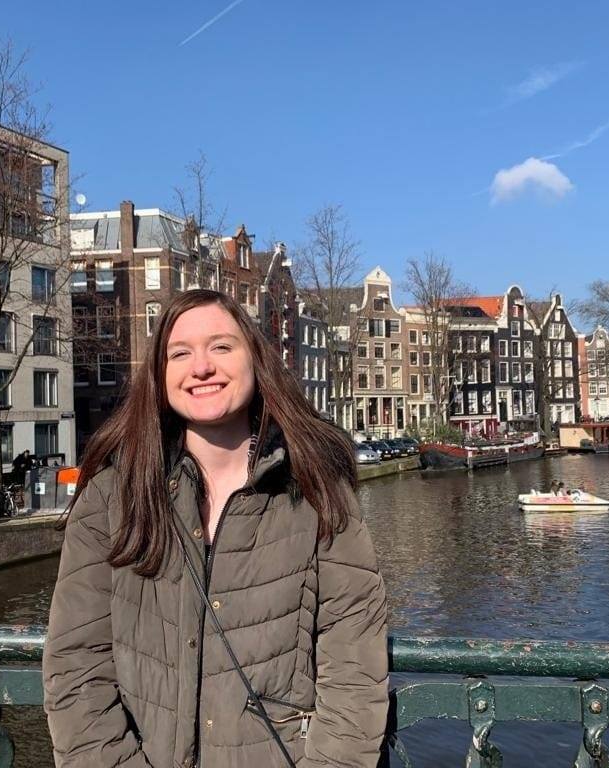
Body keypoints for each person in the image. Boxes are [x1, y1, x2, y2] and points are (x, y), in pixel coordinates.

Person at [43, 290, 389, 768]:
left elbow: (354, 663)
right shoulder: (112, 496)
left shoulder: (315, 490)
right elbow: (77, 664)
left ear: (256, 360)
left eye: (221, 347)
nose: (201, 367)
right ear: (161, 376)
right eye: (180, 353)